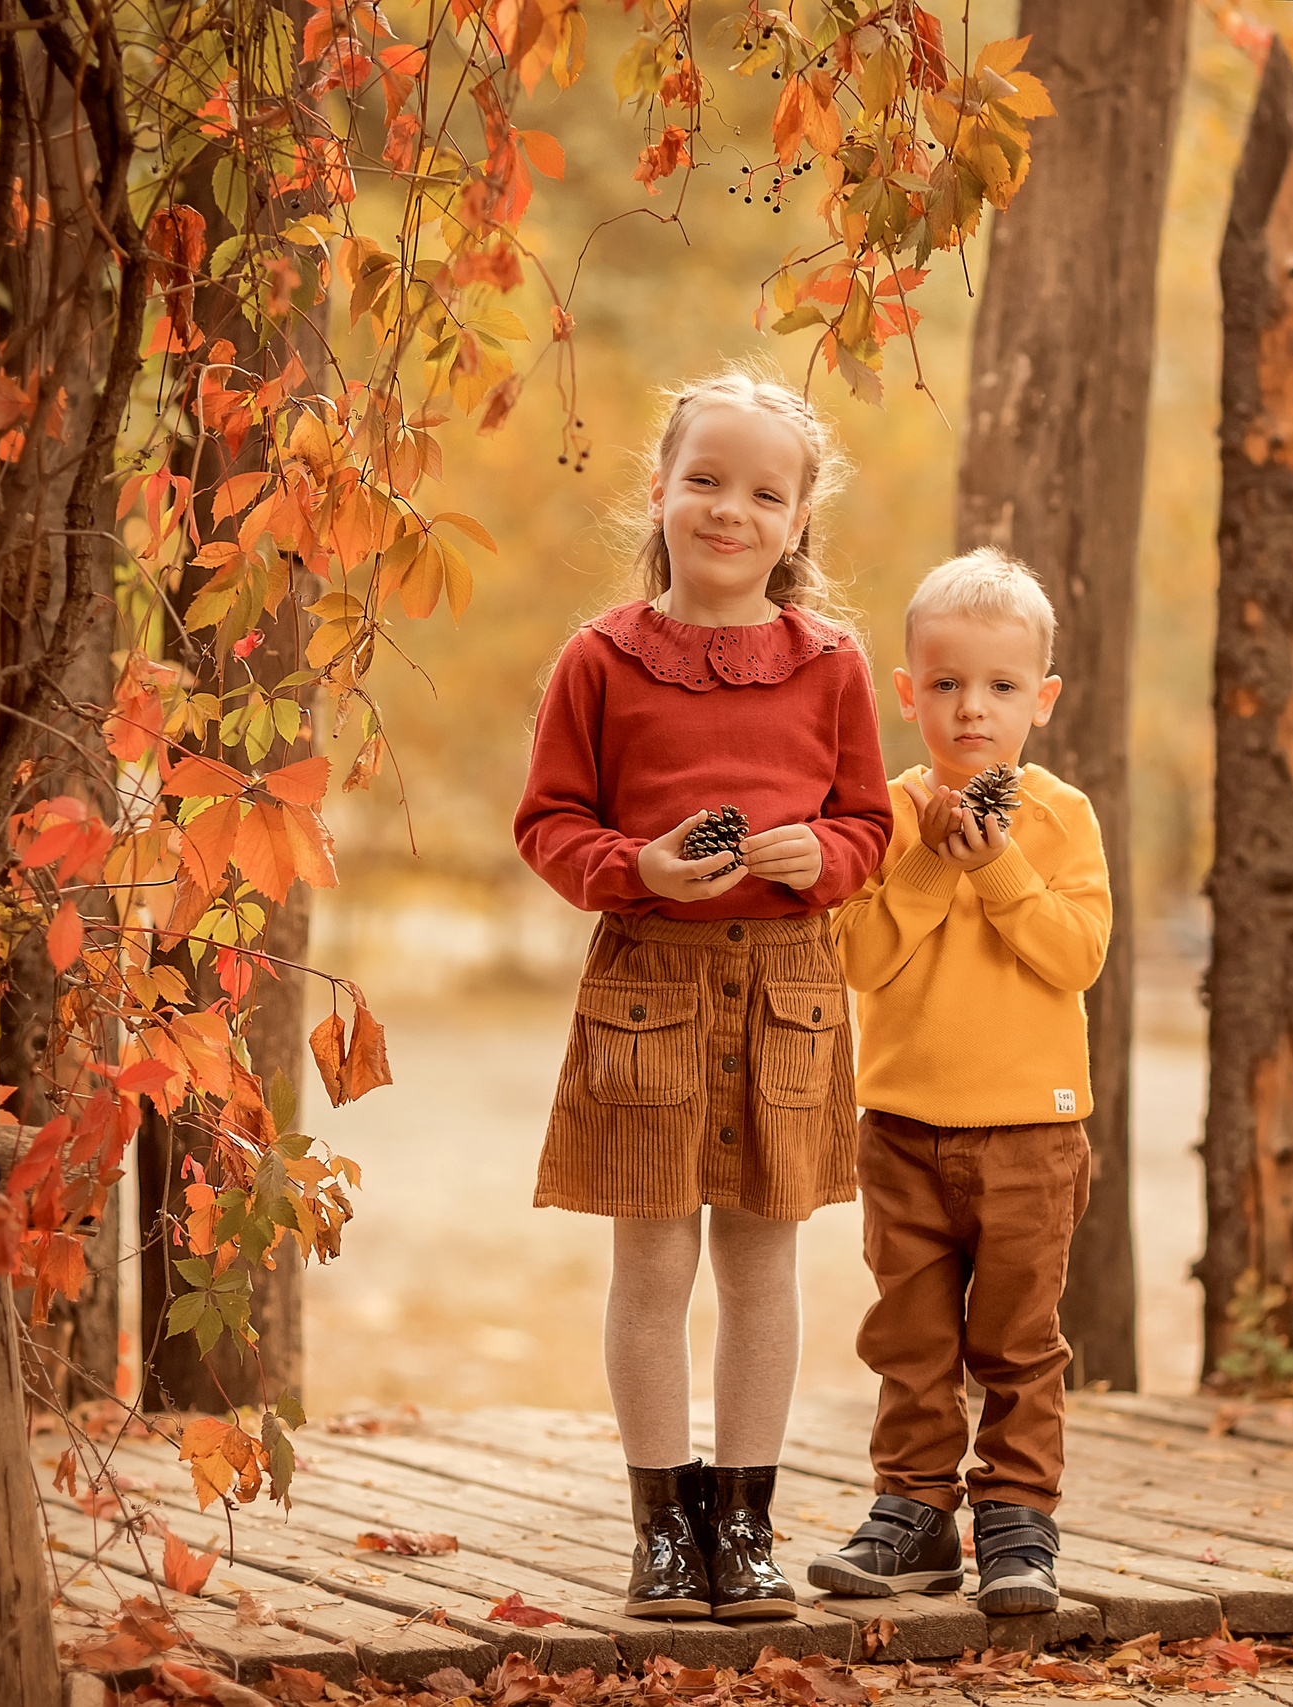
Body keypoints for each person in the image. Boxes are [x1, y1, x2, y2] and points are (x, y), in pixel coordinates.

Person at [514, 365, 892, 1623]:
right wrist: (641, 871)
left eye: (763, 493)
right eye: (707, 482)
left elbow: (867, 827)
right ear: (663, 491)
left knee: (762, 1266)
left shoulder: (832, 663)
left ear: (798, 523)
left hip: (785, 991)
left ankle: (746, 1527)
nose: (730, 510)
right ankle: (660, 1533)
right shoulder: (601, 660)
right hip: (649, 987)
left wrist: (819, 858)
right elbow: (550, 823)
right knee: (652, 1264)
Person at [806, 548, 1110, 1617]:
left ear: (1042, 698)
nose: (970, 709)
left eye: (998, 686)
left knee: (1020, 1343)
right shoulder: (882, 818)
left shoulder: (1063, 816)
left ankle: (1020, 1522)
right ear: (906, 693)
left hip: (1031, 1132)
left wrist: (998, 865)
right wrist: (933, 862)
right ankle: (914, 1513)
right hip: (901, 1128)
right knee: (913, 1338)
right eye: (944, 684)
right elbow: (858, 960)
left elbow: (1075, 955)